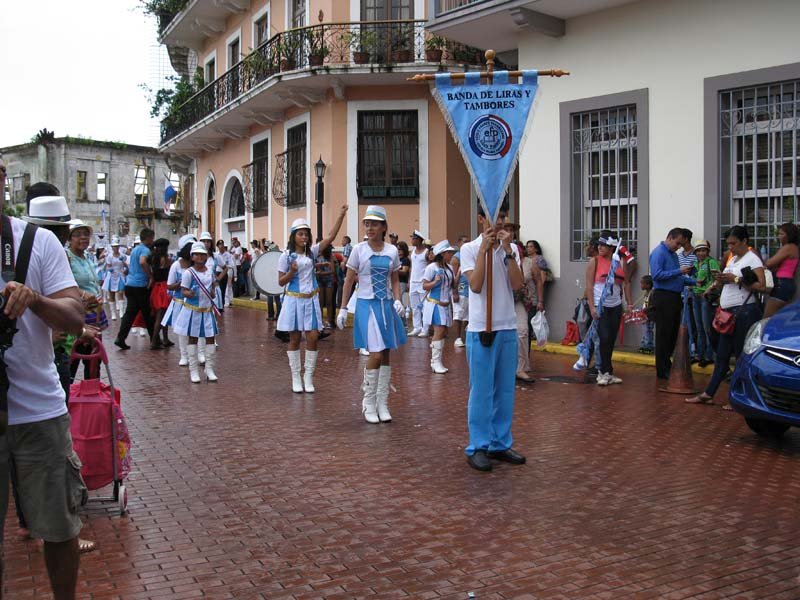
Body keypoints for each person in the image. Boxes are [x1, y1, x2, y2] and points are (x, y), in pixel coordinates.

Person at [0, 161, 88, 599]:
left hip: (39, 411)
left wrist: (34, 299)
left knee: (59, 529)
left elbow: (74, 317)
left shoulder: (36, 241)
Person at [460, 203, 525, 472]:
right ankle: (478, 445)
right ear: (480, 219)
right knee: (481, 390)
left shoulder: (511, 249)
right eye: (494, 216)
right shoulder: (469, 248)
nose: (499, 222)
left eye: (502, 216)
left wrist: (507, 251)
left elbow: (517, 284)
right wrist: (484, 251)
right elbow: (475, 285)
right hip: (481, 328)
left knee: (505, 389)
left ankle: (500, 442)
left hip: (506, 325)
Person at [337, 206, 407, 423]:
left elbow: (395, 279)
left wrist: (398, 299)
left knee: (385, 353)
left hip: (386, 306)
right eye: (367, 224)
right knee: (375, 354)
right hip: (366, 305)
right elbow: (349, 280)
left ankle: (382, 403)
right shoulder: (358, 250)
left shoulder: (392, 251)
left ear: (384, 227)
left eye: (374, 224)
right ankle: (368, 402)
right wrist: (343, 308)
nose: (370, 228)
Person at [686, 226, 766, 408]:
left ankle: (739, 397)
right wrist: (718, 282)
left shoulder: (752, 259)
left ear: (744, 241)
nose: (730, 247)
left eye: (734, 243)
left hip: (743, 313)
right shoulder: (733, 258)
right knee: (721, 356)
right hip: (728, 314)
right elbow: (728, 279)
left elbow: (761, 286)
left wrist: (735, 279)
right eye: (728, 243)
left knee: (740, 356)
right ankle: (708, 393)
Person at [279, 207, 347, 393]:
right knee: (294, 339)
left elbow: (331, 237)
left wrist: (341, 215)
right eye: (300, 234)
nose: (304, 237)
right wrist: (291, 272)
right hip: (294, 300)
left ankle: (308, 377)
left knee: (313, 338)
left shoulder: (312, 253)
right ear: (293, 236)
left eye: (306, 234)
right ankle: (296, 377)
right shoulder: (286, 256)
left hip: (311, 300)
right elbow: (280, 282)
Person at [649, 228, 695, 381]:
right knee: (664, 334)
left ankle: (667, 364)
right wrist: (679, 271)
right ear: (669, 238)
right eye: (677, 243)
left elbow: (677, 278)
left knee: (672, 333)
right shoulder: (659, 253)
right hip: (664, 296)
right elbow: (656, 275)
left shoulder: (673, 255)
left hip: (674, 297)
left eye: (681, 244)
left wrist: (694, 281)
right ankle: (662, 369)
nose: (678, 247)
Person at [586, 232, 631, 386]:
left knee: (611, 339)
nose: (600, 247)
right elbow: (589, 286)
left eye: (603, 245)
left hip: (616, 305)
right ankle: (602, 372)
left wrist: (629, 304)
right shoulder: (594, 261)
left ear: (612, 247)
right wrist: (592, 307)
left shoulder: (620, 261)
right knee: (604, 338)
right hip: (600, 305)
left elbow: (626, 283)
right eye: (599, 244)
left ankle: (608, 372)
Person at [66, 221, 108, 380]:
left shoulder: (87, 257)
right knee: (73, 358)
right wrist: (83, 294)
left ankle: (92, 390)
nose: (83, 238)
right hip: (77, 314)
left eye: (86, 234)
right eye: (77, 235)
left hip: (94, 314)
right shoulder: (66, 257)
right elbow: (63, 284)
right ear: (69, 238)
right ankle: (67, 391)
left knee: (94, 360)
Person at [175, 242, 220, 383]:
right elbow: (183, 290)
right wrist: (189, 293)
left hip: (207, 311)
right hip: (193, 311)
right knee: (193, 338)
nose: (200, 257)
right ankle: (193, 371)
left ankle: (209, 368)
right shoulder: (188, 273)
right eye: (197, 254)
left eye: (202, 254)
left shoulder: (209, 271)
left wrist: (212, 293)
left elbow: (212, 288)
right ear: (192, 256)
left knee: (210, 338)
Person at [115, 228, 155, 350]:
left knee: (130, 314)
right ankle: (155, 339)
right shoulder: (145, 250)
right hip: (140, 285)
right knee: (147, 313)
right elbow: (143, 262)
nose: (152, 241)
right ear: (148, 238)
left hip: (130, 284)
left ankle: (120, 338)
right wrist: (150, 276)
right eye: (152, 238)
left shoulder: (135, 249)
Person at [422, 240, 457, 374]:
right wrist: (435, 282)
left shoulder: (450, 268)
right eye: (449, 252)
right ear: (442, 254)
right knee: (439, 330)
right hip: (435, 304)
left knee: (444, 332)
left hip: (446, 304)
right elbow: (424, 285)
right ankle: (435, 362)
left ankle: (437, 361)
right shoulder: (432, 267)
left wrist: (460, 272)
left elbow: (453, 285)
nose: (451, 254)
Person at [162, 235, 195, 367]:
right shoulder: (176, 265)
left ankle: (195, 355)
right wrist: (180, 284)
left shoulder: (196, 266)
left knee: (194, 329)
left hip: (194, 303)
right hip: (180, 303)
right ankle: (184, 355)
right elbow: (169, 286)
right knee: (182, 331)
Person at [516, 238, 544, 382]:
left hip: (528, 302)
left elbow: (539, 281)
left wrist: (539, 301)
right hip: (510, 302)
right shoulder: (507, 262)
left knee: (524, 331)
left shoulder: (530, 263)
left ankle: (523, 365)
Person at [691, 240, 720, 366]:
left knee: (707, 327)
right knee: (699, 328)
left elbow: (718, 278)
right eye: (699, 251)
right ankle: (700, 355)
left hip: (706, 297)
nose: (701, 253)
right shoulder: (695, 264)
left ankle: (709, 356)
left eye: (703, 250)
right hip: (695, 296)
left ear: (707, 251)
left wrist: (710, 289)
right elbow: (693, 278)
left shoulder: (711, 262)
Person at [764, 222, 799, 318]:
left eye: (781, 234)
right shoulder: (794, 247)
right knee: (780, 317)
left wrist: (767, 262)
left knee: (767, 317)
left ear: (789, 235)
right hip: (786, 283)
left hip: (782, 283)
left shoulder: (789, 247)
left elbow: (769, 263)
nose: (779, 236)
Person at [148, 239, 173, 349]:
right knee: (161, 315)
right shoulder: (165, 259)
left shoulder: (153, 258)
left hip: (156, 287)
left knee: (162, 314)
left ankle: (165, 339)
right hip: (163, 287)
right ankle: (154, 341)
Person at [450, 235, 471, 348]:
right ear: (459, 243)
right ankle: (457, 337)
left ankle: (464, 336)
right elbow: (454, 276)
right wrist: (455, 291)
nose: (467, 243)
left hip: (469, 290)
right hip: (460, 289)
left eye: (468, 241)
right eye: (464, 241)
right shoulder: (456, 257)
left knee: (466, 316)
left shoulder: (470, 254)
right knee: (458, 314)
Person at [408, 230, 429, 337]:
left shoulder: (426, 252)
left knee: (424, 307)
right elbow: (412, 267)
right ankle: (417, 327)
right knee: (414, 307)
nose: (412, 240)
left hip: (422, 283)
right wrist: (409, 280)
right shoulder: (413, 252)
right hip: (413, 282)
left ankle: (425, 328)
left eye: (413, 238)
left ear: (419, 240)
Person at [101, 238, 127, 321]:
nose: (115, 248)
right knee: (111, 294)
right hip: (112, 276)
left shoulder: (122, 255)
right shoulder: (109, 256)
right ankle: (113, 313)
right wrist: (110, 269)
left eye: (117, 246)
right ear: (112, 247)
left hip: (120, 275)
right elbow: (108, 266)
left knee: (120, 292)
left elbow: (125, 265)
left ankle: (121, 312)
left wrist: (124, 265)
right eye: (114, 246)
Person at [314, 245, 336, 329]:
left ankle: (330, 321)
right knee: (321, 301)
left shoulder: (330, 257)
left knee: (329, 302)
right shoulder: (317, 257)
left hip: (329, 281)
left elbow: (333, 271)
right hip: (320, 280)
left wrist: (322, 273)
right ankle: (320, 321)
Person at [639, 275, 655, 354]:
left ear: (648, 285)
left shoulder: (652, 293)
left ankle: (649, 345)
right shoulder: (646, 293)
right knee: (644, 330)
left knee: (648, 330)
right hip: (645, 315)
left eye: (642, 283)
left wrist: (646, 309)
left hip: (649, 316)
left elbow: (653, 305)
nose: (641, 285)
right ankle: (644, 344)